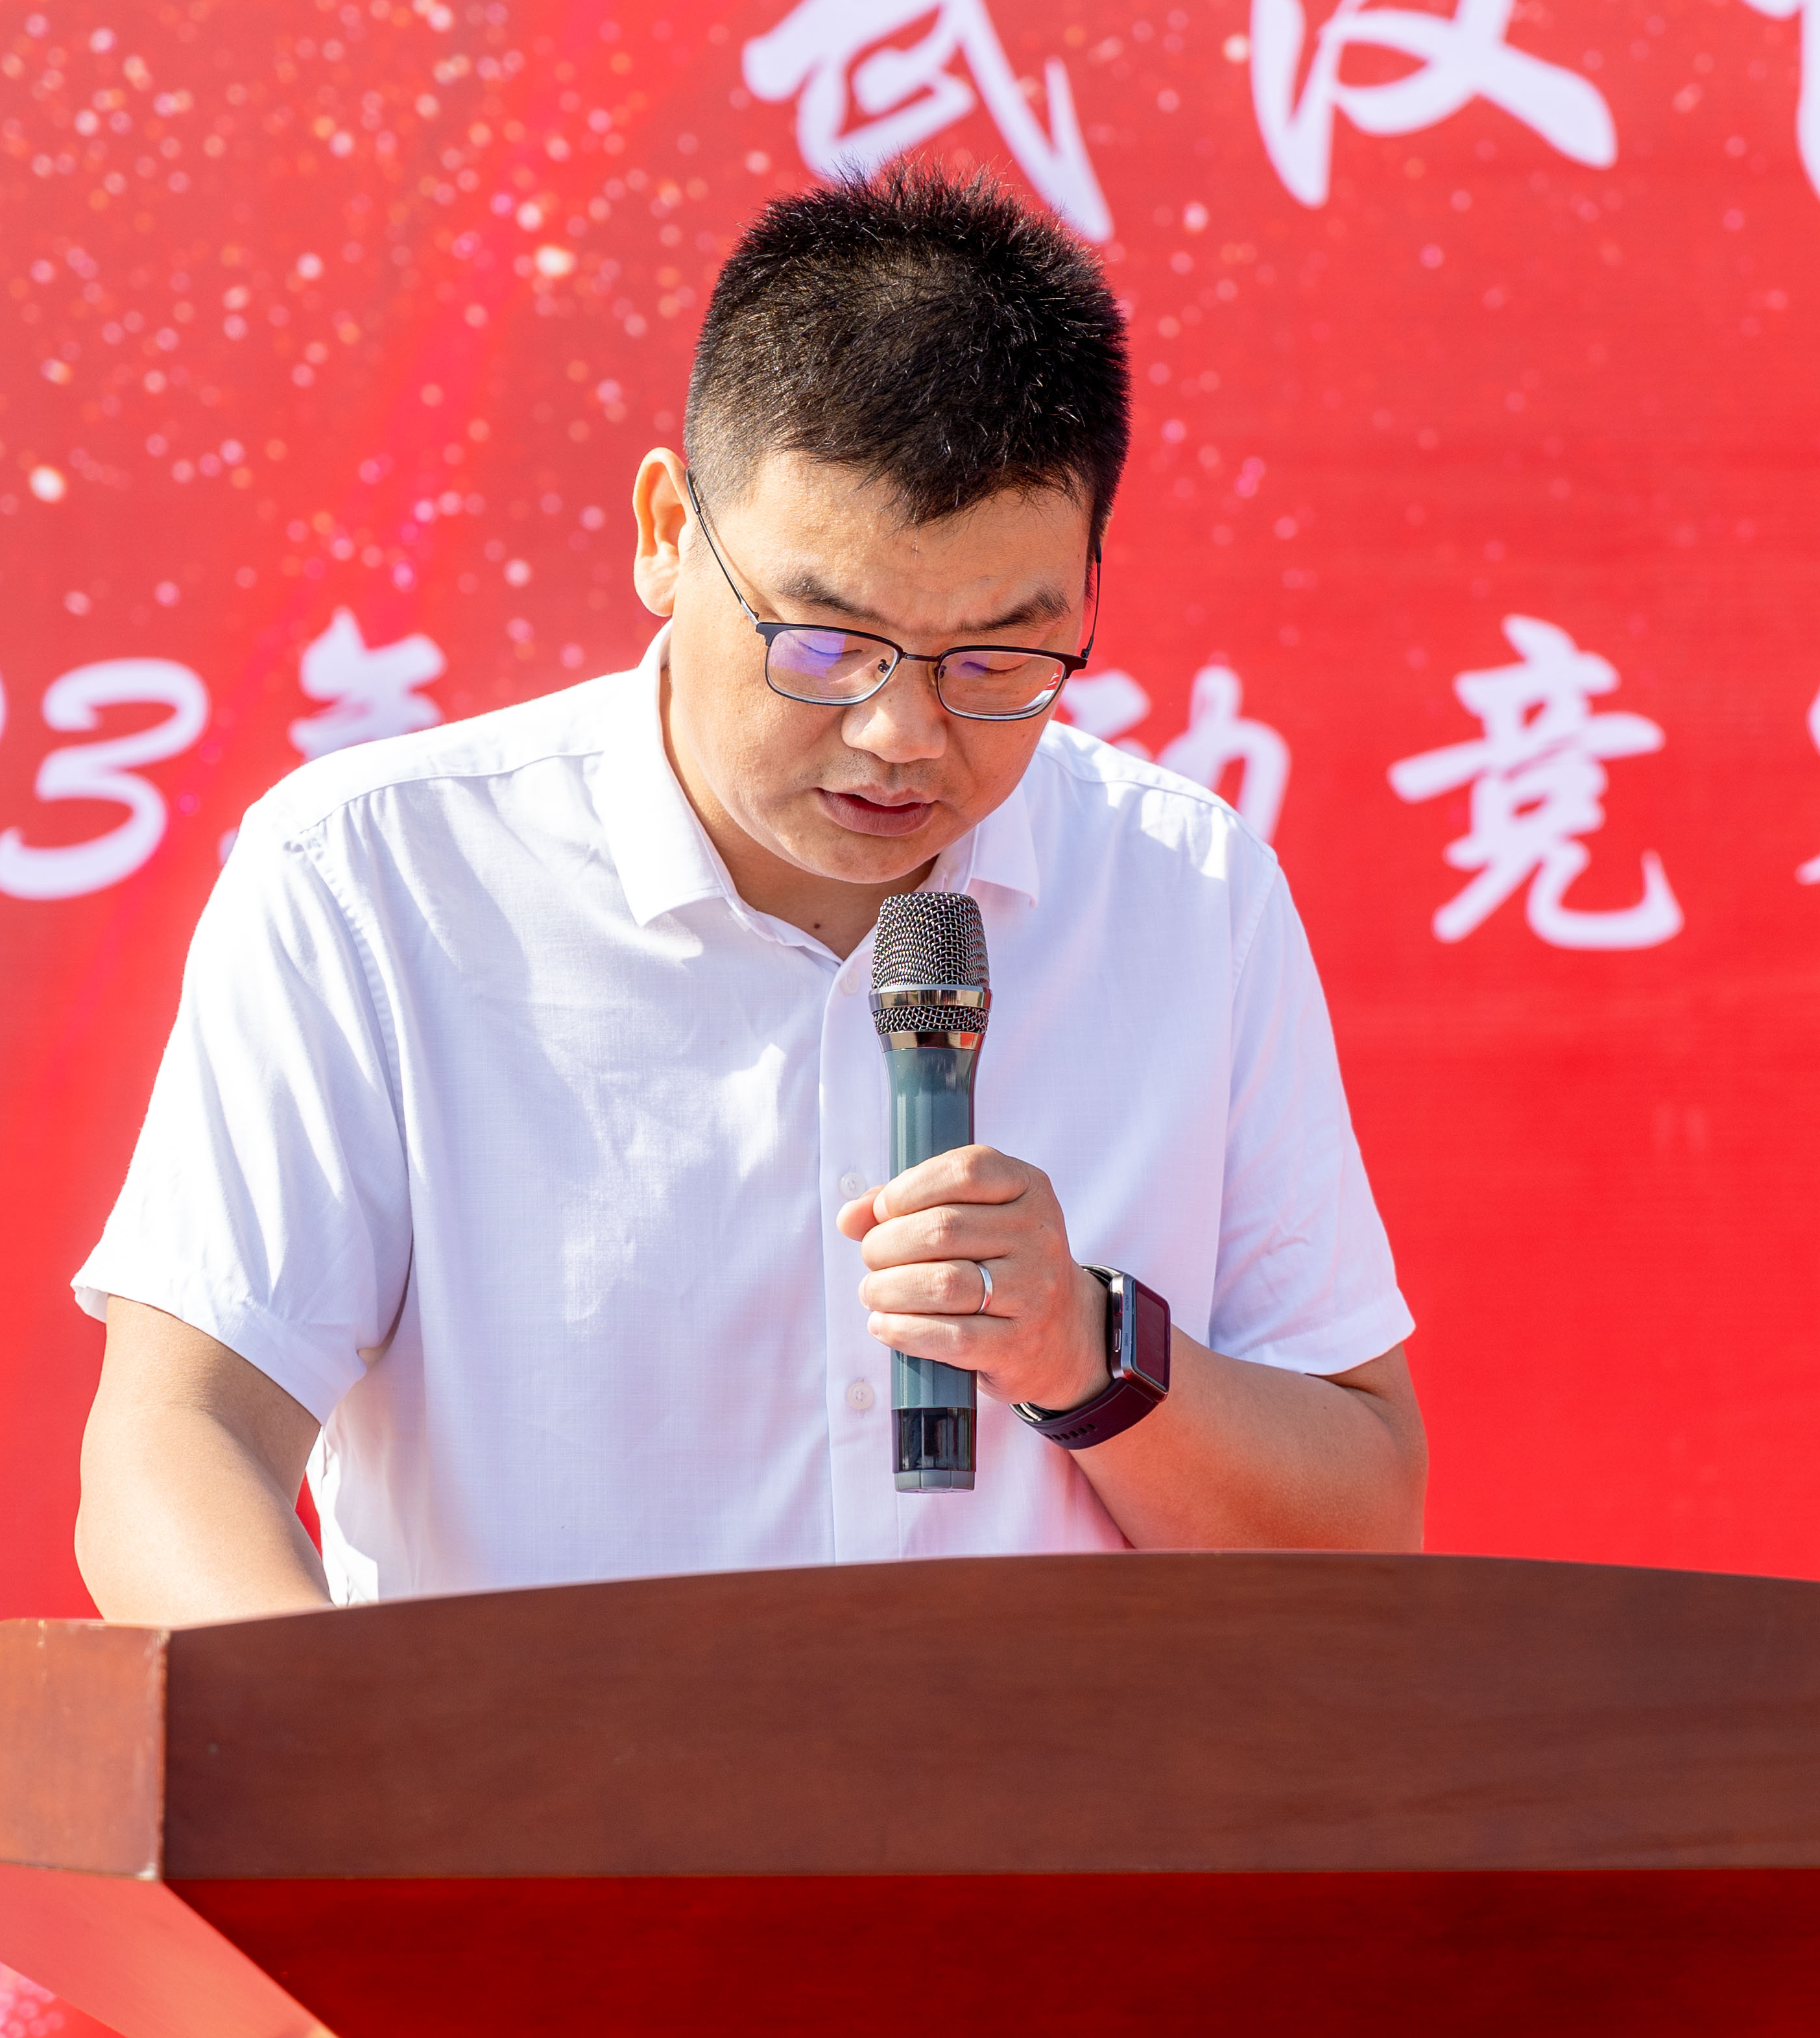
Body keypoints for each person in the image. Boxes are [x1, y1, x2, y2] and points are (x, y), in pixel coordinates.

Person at [71, 164, 1422, 1624]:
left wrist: (1092, 1353)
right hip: (535, 1778)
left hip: (1053, 1780)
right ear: (668, 529)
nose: (902, 737)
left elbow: (1360, 1522)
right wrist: (339, 1745)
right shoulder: (376, 880)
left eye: (996, 660)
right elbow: (176, 1442)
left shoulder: (1186, 893)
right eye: (828, 645)